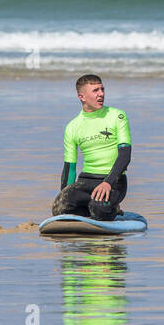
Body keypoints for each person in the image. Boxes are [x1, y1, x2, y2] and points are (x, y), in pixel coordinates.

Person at [53, 74, 131, 220]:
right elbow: (69, 168)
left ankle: (112, 209)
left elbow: (125, 155)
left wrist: (108, 182)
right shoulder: (73, 127)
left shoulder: (117, 116)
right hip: (87, 180)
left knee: (99, 209)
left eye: (102, 89)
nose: (101, 94)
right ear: (82, 97)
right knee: (60, 207)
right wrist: (65, 196)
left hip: (114, 181)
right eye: (95, 91)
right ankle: (90, 207)